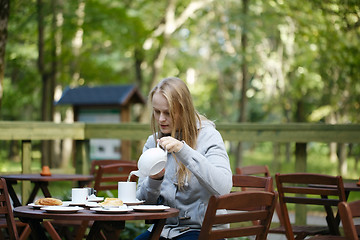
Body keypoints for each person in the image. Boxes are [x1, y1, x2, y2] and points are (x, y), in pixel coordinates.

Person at [135, 77, 232, 240]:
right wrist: (154, 180)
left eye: (168, 113)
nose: (161, 119)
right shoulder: (153, 143)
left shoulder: (209, 136)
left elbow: (223, 187)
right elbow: (142, 205)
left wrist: (183, 150)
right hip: (163, 230)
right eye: (157, 111)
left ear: (184, 110)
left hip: (203, 230)